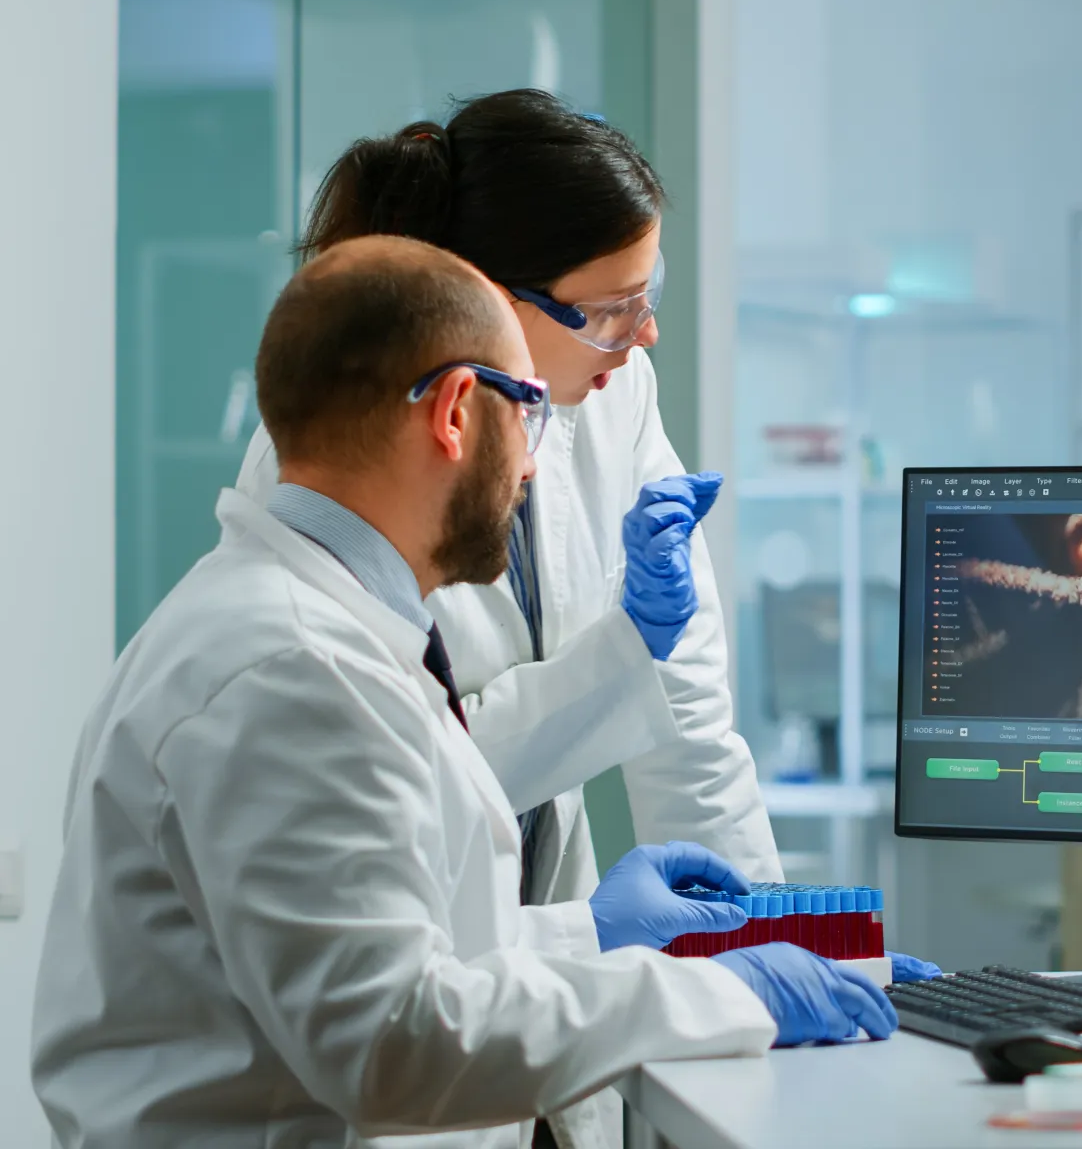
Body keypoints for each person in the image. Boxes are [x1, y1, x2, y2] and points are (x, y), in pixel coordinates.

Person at [31, 237, 896, 1149]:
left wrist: (590, 936)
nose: (532, 466)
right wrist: (717, 993)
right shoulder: (292, 670)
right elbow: (390, 1042)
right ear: (453, 413)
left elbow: (372, 954)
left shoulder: (313, 629)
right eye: (529, 414)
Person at [233, 90, 939, 985]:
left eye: (649, 294)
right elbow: (403, 768)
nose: (645, 335)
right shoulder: (347, 462)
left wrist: (763, 940)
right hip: (417, 948)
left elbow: (687, 720)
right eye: (611, 308)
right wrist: (623, 655)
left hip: (524, 955)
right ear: (488, 301)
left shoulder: (614, 394)